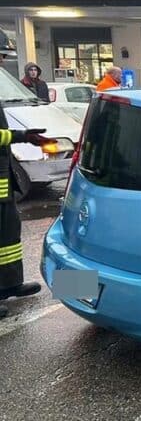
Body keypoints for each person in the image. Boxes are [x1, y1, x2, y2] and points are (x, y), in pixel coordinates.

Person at [0, 100, 54, 319]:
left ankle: (10, 284)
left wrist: (25, 136)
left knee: (8, 239)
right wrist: (21, 135)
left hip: (3, 182)